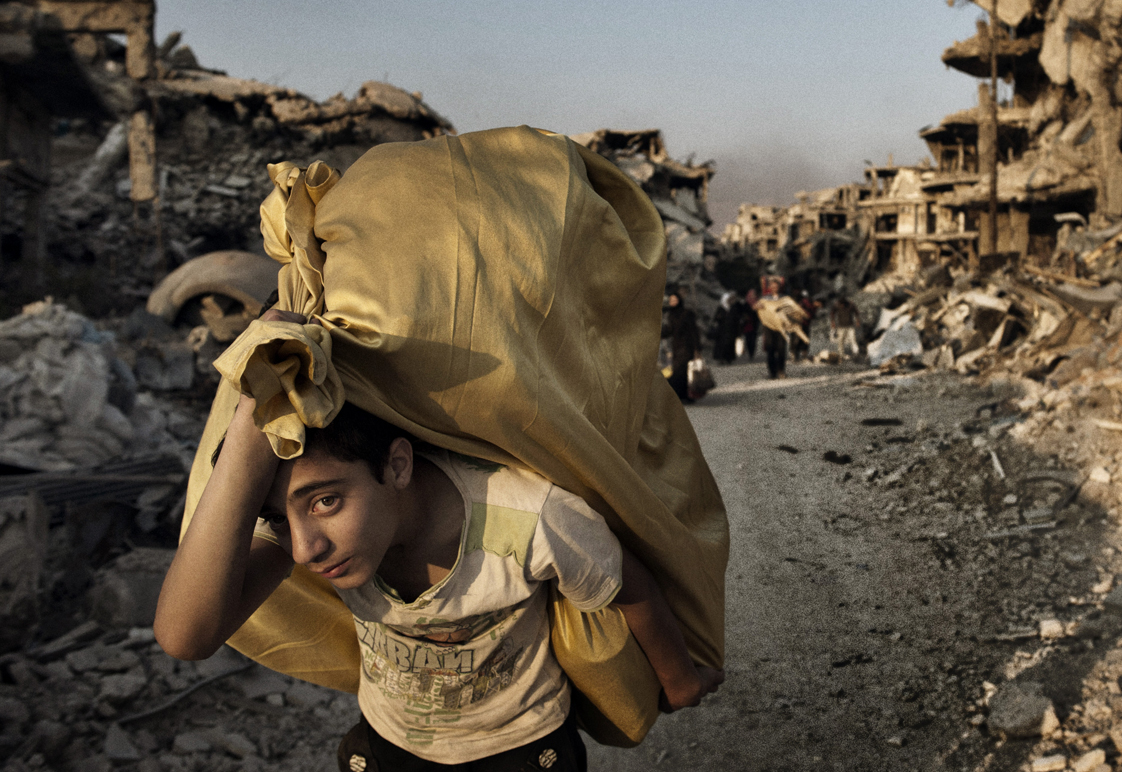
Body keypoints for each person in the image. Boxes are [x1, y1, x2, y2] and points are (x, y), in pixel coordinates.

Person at [155, 312, 723, 772]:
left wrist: (679, 681)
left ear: (397, 465)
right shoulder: (308, 533)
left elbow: (627, 587)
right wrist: (253, 413)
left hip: (522, 747)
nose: (304, 551)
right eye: (278, 518)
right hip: (389, 745)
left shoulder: (527, 517)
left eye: (326, 501)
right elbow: (185, 635)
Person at [660, 289, 700, 404]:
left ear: (679, 300)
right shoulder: (671, 315)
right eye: (671, 300)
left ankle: (684, 396)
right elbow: (670, 330)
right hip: (676, 348)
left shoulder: (687, 313)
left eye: (675, 300)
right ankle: (683, 396)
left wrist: (697, 349)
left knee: (681, 372)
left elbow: (694, 331)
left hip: (687, 347)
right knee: (680, 373)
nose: (673, 302)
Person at [829, 296, 861, 361]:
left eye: (843, 304)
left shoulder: (851, 305)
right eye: (841, 304)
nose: (842, 306)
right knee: (840, 340)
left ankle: (856, 353)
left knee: (853, 339)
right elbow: (832, 313)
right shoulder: (836, 305)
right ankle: (841, 354)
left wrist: (857, 320)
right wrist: (832, 322)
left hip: (850, 326)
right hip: (841, 326)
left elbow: (856, 312)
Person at [711, 292, 737, 364]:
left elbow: (736, 319)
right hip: (721, 330)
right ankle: (721, 358)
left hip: (731, 330)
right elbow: (715, 319)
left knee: (730, 344)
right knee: (721, 345)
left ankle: (729, 358)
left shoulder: (732, 308)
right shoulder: (720, 308)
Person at [739, 290, 759, 361]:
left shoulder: (757, 303)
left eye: (754, 294)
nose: (753, 296)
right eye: (752, 295)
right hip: (747, 325)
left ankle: (751, 353)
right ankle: (750, 353)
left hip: (754, 325)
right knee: (748, 340)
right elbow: (742, 313)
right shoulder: (746, 304)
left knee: (753, 340)